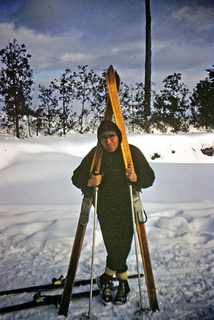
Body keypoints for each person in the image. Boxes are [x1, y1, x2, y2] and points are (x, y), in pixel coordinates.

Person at [72, 120, 155, 305]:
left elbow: (150, 178)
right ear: (99, 140)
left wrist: (136, 178)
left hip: (126, 206)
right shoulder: (96, 154)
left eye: (111, 136)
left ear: (118, 137)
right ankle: (122, 282)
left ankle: (107, 277)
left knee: (124, 243)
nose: (108, 141)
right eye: (103, 138)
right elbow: (75, 177)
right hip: (105, 207)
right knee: (112, 243)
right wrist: (89, 182)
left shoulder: (130, 152)